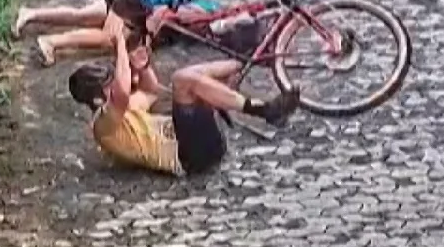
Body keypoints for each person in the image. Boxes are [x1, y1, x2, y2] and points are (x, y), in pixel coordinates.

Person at [67, 17, 300, 177]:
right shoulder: (103, 125)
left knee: (193, 76)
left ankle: (250, 59)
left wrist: (142, 66)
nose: (118, 85)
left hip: (202, 139)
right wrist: (119, 45)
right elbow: (122, 94)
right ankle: (264, 110)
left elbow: (150, 91)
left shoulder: (125, 110)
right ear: (97, 100)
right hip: (190, 158)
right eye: (109, 85)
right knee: (182, 80)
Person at [14, 0, 228, 65]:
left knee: (85, 16)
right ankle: (51, 42)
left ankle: (31, 14)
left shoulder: (212, 8)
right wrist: (146, 39)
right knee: (112, 38)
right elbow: (160, 15)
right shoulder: (204, 15)